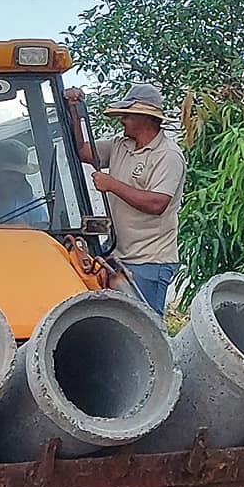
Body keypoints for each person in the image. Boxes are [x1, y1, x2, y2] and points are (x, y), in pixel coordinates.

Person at [65, 83, 186, 317]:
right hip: (119, 256)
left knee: (145, 327)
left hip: (149, 261)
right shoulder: (121, 145)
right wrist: (73, 110)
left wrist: (112, 184)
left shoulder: (168, 155)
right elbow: (83, 151)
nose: (122, 120)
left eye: (128, 115)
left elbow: (157, 204)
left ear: (145, 118)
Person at [0, 139, 48, 225]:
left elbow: (44, 234)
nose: (14, 178)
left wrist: (28, 230)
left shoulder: (32, 206)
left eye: (19, 173)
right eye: (9, 172)